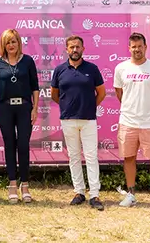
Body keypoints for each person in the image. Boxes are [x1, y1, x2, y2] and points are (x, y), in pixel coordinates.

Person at [113, 32, 150, 211]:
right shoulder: (121, 68)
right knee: (129, 158)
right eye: (133, 46)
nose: (137, 49)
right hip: (128, 122)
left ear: (146, 47)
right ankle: (131, 194)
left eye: (140, 46)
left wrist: (149, 108)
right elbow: (119, 93)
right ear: (129, 48)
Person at [51, 35, 106, 211]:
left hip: (88, 119)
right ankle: (79, 192)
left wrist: (89, 106)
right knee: (74, 157)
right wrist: (69, 107)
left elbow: (101, 93)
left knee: (91, 157)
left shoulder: (92, 68)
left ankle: (95, 194)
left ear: (83, 49)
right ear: (66, 49)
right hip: (68, 119)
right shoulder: (59, 70)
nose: (75, 50)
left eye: (78, 47)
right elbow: (55, 94)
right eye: (71, 47)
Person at [0, 29, 39, 203]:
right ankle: (12, 184)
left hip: (25, 108)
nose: (11, 45)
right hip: (5, 109)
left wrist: (35, 109)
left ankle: (25, 185)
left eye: (14, 41)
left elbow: (35, 87)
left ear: (19, 43)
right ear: (3, 45)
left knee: (23, 145)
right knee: (9, 144)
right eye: (7, 42)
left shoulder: (27, 61)